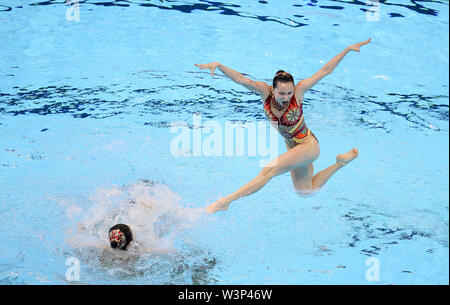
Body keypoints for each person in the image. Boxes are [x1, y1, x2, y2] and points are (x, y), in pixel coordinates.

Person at [195, 38, 371, 214]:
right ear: (273, 89)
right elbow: (241, 80)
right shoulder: (264, 92)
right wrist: (219, 65)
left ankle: (225, 202)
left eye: (289, 92)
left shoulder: (299, 91)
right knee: (305, 191)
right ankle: (340, 163)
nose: (286, 97)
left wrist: (347, 49)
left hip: (307, 145)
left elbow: (325, 71)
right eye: (281, 93)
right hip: (293, 146)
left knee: (268, 171)